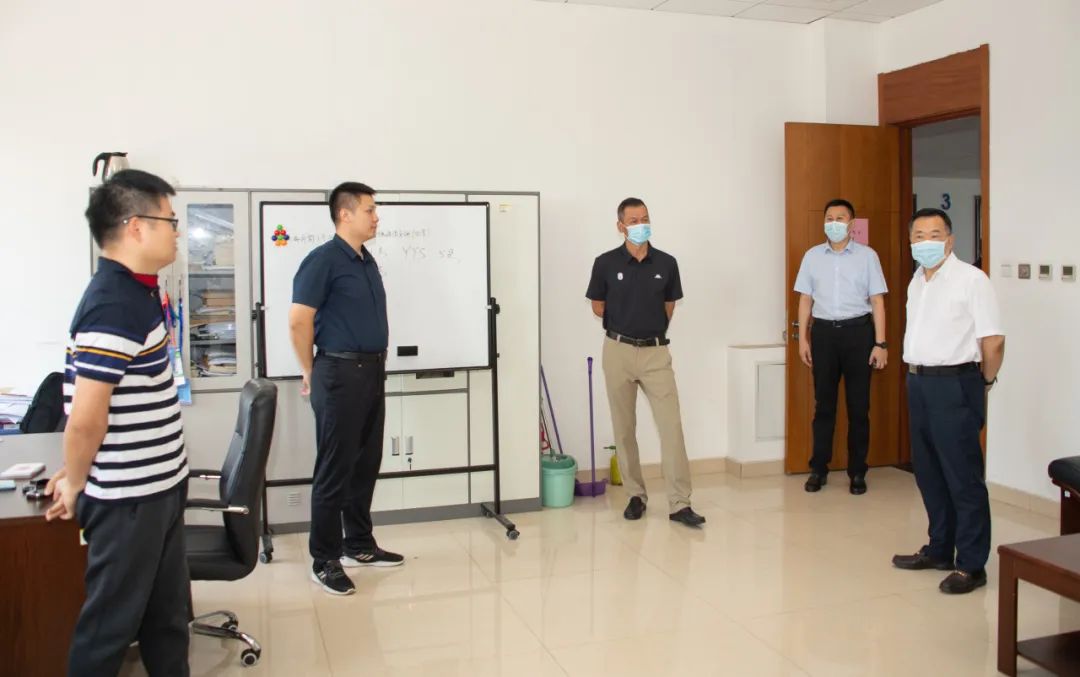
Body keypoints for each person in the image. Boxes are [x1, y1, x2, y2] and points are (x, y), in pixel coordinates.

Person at [45, 169, 191, 676]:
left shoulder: (136, 292)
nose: (177, 232)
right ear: (136, 226)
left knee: (167, 621)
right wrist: (75, 480)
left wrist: (76, 470)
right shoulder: (113, 303)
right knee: (108, 629)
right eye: (170, 221)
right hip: (130, 499)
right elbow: (87, 417)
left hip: (158, 488)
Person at [289, 182, 403, 596]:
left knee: (365, 463)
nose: (376, 217)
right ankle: (324, 558)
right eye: (370, 210)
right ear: (345, 214)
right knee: (335, 469)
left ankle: (359, 544)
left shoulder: (365, 260)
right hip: (338, 373)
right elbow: (299, 320)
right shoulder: (323, 260)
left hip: (371, 372)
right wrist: (310, 370)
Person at [892, 208, 1004, 594]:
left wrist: (984, 381)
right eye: (919, 236)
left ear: (950, 240)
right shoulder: (916, 282)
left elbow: (993, 341)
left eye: (935, 235)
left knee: (962, 476)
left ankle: (971, 564)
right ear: (910, 242)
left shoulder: (972, 280)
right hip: (918, 382)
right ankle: (940, 548)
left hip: (955, 383)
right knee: (929, 473)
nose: (926, 242)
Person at [586, 197, 705, 527]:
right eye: (634, 220)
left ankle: (680, 503)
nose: (641, 225)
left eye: (645, 219)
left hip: (655, 353)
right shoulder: (605, 263)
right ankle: (635, 496)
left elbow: (669, 306)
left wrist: (649, 328)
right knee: (624, 429)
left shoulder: (666, 263)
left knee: (671, 428)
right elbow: (597, 305)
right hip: (618, 351)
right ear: (621, 226)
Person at [794, 199, 888, 495]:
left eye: (840, 218)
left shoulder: (867, 256)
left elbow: (877, 301)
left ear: (851, 224)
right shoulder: (812, 256)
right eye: (829, 218)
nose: (834, 223)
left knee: (859, 408)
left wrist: (881, 343)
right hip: (823, 334)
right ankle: (818, 469)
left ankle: (857, 471)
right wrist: (803, 339)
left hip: (858, 334)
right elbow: (805, 299)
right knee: (824, 406)